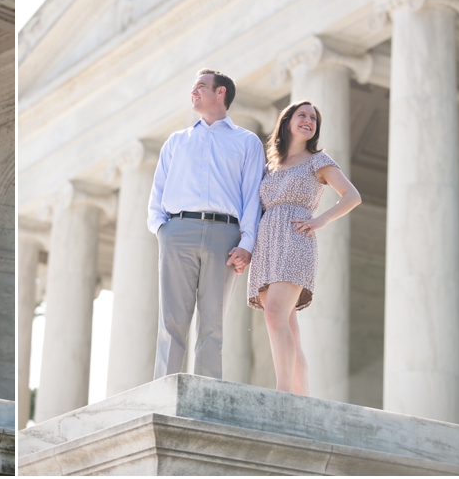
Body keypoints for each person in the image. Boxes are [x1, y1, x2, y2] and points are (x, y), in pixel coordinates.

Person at [148, 69, 265, 379]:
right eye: (193, 87)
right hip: (177, 231)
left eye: (201, 86)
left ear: (221, 92)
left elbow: (252, 196)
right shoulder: (176, 142)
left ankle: (206, 393)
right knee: (171, 320)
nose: (194, 92)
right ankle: (163, 392)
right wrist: (162, 230)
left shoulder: (247, 142)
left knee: (213, 322)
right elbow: (157, 192)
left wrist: (247, 244)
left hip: (225, 235)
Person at [247, 101, 361, 395]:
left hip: (296, 239)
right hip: (266, 242)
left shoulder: (318, 161)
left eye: (313, 118)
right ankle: (301, 395)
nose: (309, 121)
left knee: (274, 314)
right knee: (287, 325)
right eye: (303, 115)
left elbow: (352, 196)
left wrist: (321, 219)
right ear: (287, 122)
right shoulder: (270, 165)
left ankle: (283, 392)